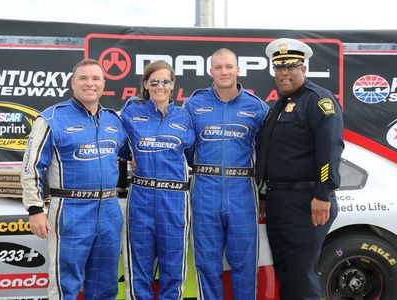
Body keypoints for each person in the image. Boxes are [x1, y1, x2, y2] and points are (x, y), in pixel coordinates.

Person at [21, 59, 127, 300]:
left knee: (106, 285)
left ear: (103, 84)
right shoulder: (51, 119)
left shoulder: (114, 121)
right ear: (73, 83)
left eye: (95, 79)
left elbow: (128, 153)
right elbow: (32, 167)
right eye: (83, 78)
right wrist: (35, 209)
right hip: (71, 211)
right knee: (65, 284)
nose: (90, 83)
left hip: (109, 211)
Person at [255, 38, 344, 300]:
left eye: (290, 67)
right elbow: (272, 154)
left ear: (303, 68)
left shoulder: (319, 101)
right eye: (279, 68)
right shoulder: (278, 106)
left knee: (302, 277)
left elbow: (329, 151)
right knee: (287, 274)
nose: (284, 73)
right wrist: (263, 194)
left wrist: (323, 194)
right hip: (279, 200)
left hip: (307, 202)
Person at [182, 48, 268, 300]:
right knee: (206, 265)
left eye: (229, 66)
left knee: (244, 264)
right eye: (218, 67)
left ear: (238, 70)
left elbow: (267, 154)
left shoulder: (257, 107)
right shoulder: (193, 104)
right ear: (211, 72)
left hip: (242, 192)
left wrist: (263, 192)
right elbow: (183, 147)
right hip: (204, 191)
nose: (224, 72)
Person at [118, 60, 195, 300]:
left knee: (173, 270)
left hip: (174, 200)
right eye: (154, 81)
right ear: (145, 84)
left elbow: (193, 156)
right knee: (139, 270)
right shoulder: (131, 111)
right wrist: (131, 156)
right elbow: (118, 146)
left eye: (165, 81)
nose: (160, 86)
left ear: (173, 85)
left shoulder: (184, 117)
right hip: (141, 197)